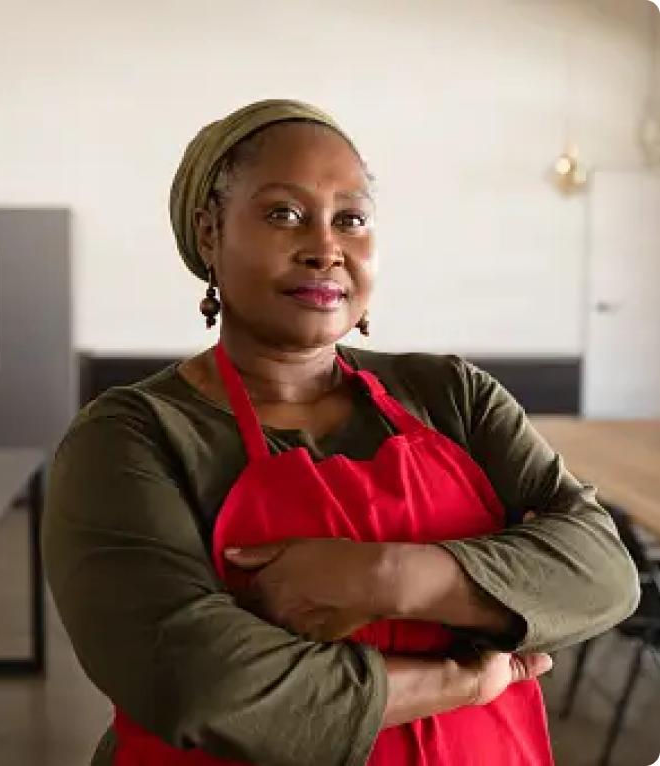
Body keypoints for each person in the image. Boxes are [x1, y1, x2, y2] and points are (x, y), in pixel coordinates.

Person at [41, 99, 640, 766]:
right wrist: (464, 679)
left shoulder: (451, 395)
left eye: (350, 219)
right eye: (283, 214)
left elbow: (601, 572)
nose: (325, 248)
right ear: (209, 234)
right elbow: (205, 686)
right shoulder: (129, 439)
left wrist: (383, 576)